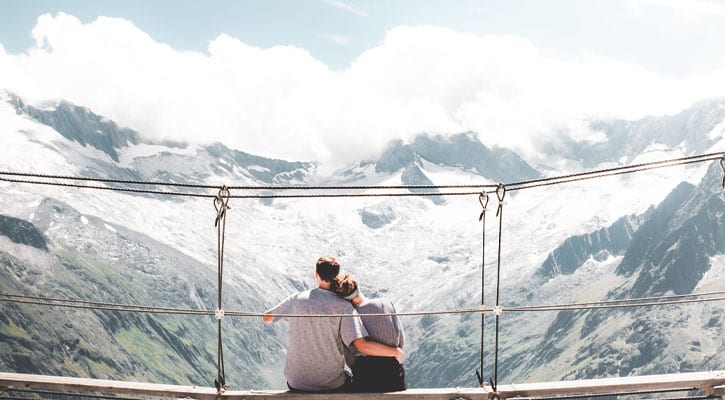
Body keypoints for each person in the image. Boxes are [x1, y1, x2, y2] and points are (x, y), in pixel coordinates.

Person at [263, 256, 403, 392]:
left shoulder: (296, 299)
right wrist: (394, 352)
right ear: (337, 275)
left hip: (296, 383)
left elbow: (267, 317)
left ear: (316, 275)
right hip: (331, 384)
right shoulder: (344, 307)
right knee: (350, 379)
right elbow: (361, 345)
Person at [334, 274, 407, 392]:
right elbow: (400, 340)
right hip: (393, 374)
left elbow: (350, 356)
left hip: (366, 376)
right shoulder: (385, 303)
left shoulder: (350, 315)